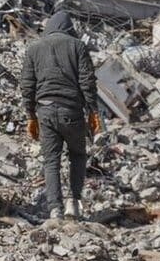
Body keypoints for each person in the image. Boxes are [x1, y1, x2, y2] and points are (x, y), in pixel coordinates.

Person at [20, 11, 100, 220]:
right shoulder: (77, 46)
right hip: (72, 111)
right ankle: (73, 203)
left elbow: (27, 85)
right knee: (78, 155)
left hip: (45, 112)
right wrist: (93, 110)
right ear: (69, 28)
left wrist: (30, 115)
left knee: (51, 161)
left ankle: (55, 209)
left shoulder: (34, 48)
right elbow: (87, 81)